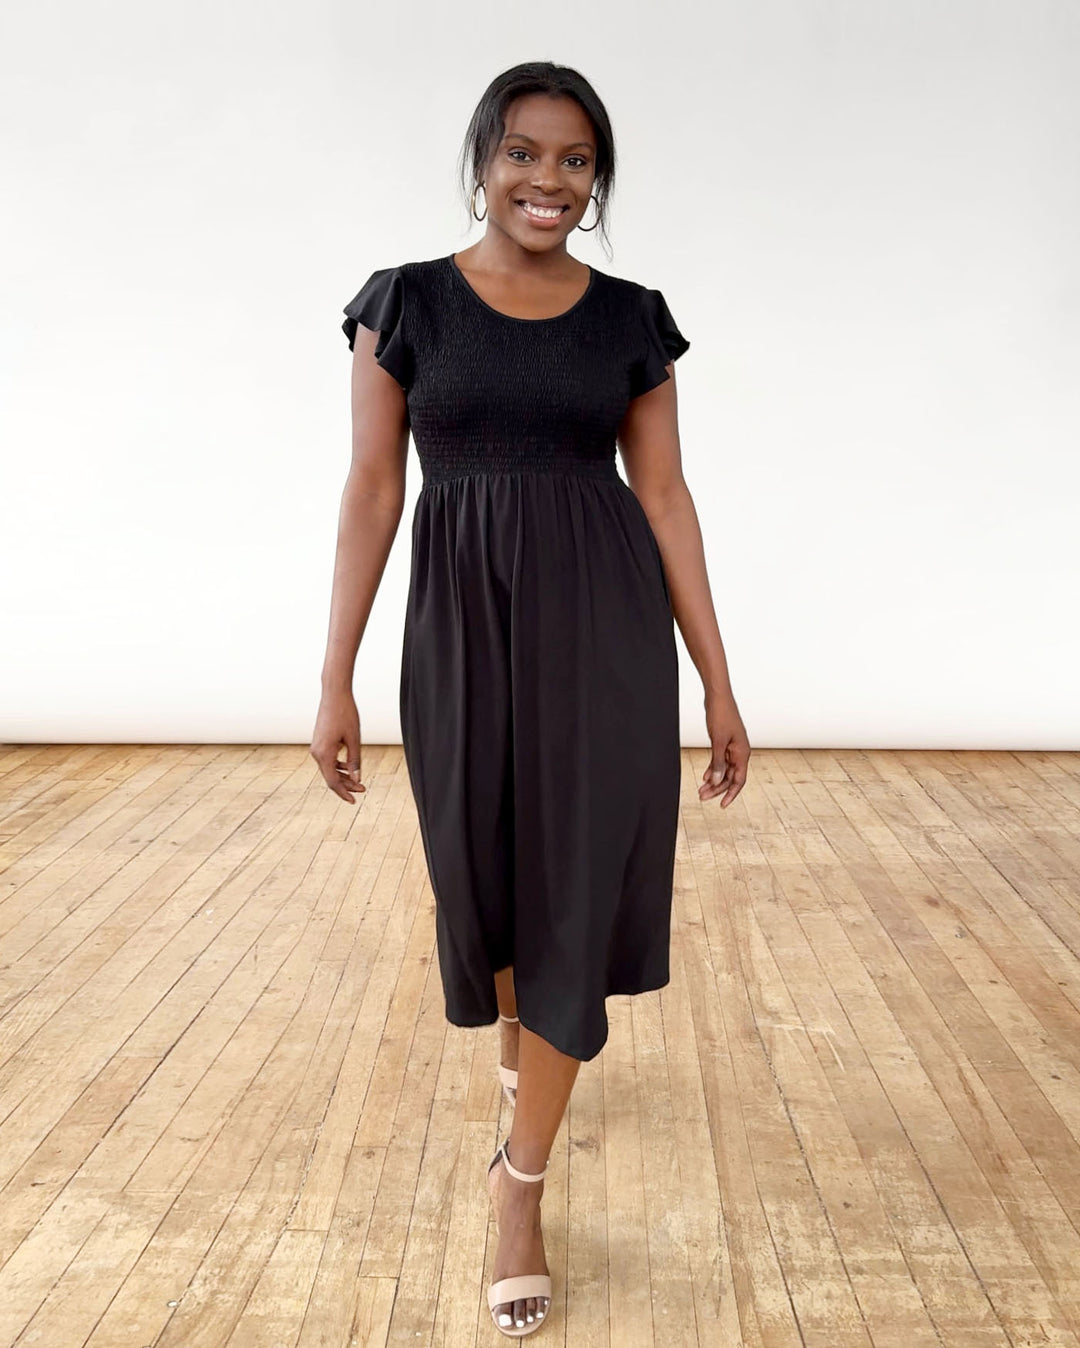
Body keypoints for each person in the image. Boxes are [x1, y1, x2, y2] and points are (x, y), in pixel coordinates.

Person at [311, 60, 749, 1339]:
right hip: (461, 628)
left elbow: (663, 496)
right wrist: (334, 673)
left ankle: (521, 1184)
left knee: (570, 891)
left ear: (595, 179)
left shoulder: (631, 320)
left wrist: (718, 679)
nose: (547, 180)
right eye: (522, 152)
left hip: (603, 628)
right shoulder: (404, 304)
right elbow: (373, 488)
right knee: (485, 876)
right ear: (482, 162)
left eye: (574, 160)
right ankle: (523, 1063)